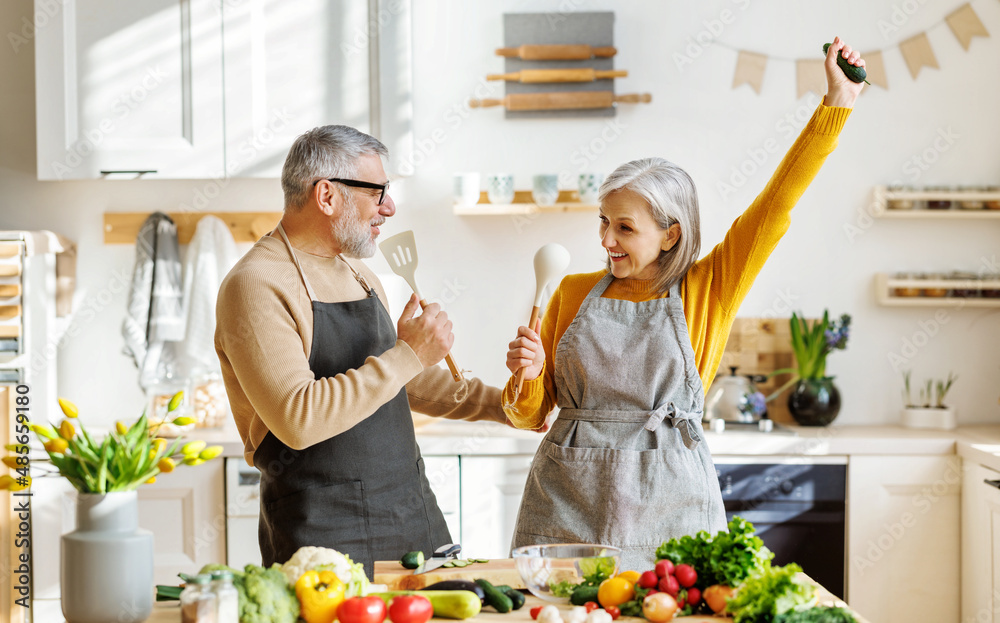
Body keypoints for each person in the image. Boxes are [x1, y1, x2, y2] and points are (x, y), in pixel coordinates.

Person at [502, 38, 865, 570]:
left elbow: (775, 206)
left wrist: (837, 104)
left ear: (671, 235)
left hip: (670, 500)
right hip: (567, 500)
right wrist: (527, 376)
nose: (607, 239)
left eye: (625, 227)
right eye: (603, 221)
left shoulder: (708, 288)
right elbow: (528, 415)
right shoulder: (569, 291)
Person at [215, 125, 506, 576]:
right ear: (327, 196)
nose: (388, 208)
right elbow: (298, 417)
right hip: (322, 533)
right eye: (378, 192)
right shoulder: (256, 283)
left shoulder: (357, 271)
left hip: (411, 513)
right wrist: (410, 352)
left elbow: (402, 383)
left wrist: (507, 405)